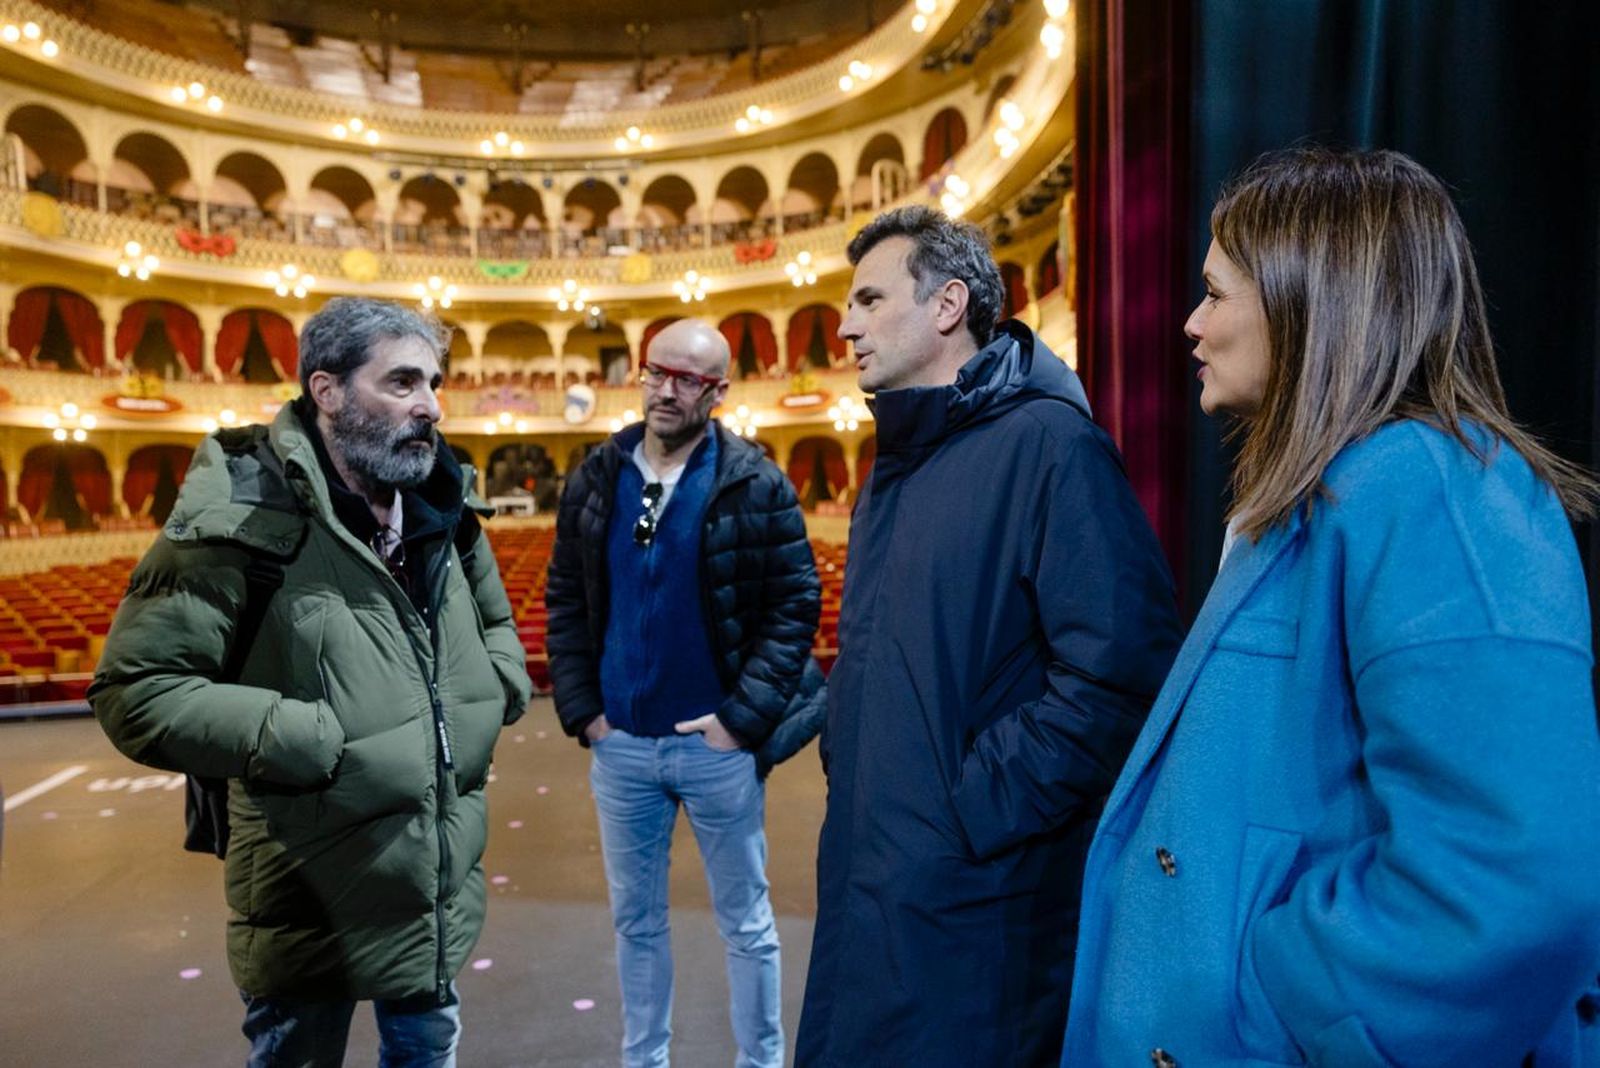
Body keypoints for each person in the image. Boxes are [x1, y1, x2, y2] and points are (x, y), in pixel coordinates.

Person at [1063, 147, 1600, 1067]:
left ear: (1311, 298)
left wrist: (1273, 995)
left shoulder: (1427, 485)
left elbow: (1516, 881)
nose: (1191, 324)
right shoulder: (1334, 494)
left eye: (1217, 292)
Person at [90, 298, 532, 1067]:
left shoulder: (442, 506)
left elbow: (497, 629)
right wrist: (309, 737)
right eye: (401, 383)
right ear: (326, 392)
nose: (430, 405)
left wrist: (492, 695)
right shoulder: (242, 510)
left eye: (433, 381)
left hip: (434, 888)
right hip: (307, 895)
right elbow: (138, 691)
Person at [795, 206, 1183, 1067]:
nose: (844, 324)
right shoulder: (890, 471)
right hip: (873, 879)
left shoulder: (1053, 447)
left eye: (867, 298)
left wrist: (973, 805)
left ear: (947, 306)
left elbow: (1120, 677)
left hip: (979, 899)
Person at [545, 318, 821, 1068]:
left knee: (746, 924)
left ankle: (760, 1061)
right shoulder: (598, 476)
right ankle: (645, 1060)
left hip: (715, 748)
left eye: (688, 379)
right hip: (622, 747)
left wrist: (742, 720)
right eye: (656, 372)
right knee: (636, 924)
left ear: (719, 392)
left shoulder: (754, 481)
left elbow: (795, 607)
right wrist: (585, 712)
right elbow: (566, 597)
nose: (667, 390)